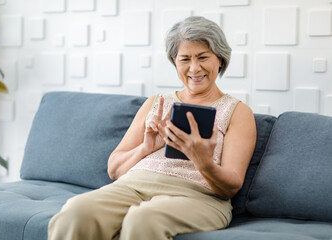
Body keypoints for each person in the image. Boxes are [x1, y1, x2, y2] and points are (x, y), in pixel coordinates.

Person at [48, 16, 257, 240]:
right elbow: (114, 169)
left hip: (197, 196)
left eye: (203, 57)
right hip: (132, 187)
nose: (194, 68)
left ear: (220, 59)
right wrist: (147, 147)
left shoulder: (237, 111)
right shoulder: (157, 103)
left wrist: (203, 162)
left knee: (143, 219)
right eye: (184, 59)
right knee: (76, 211)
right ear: (175, 62)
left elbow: (231, 186)